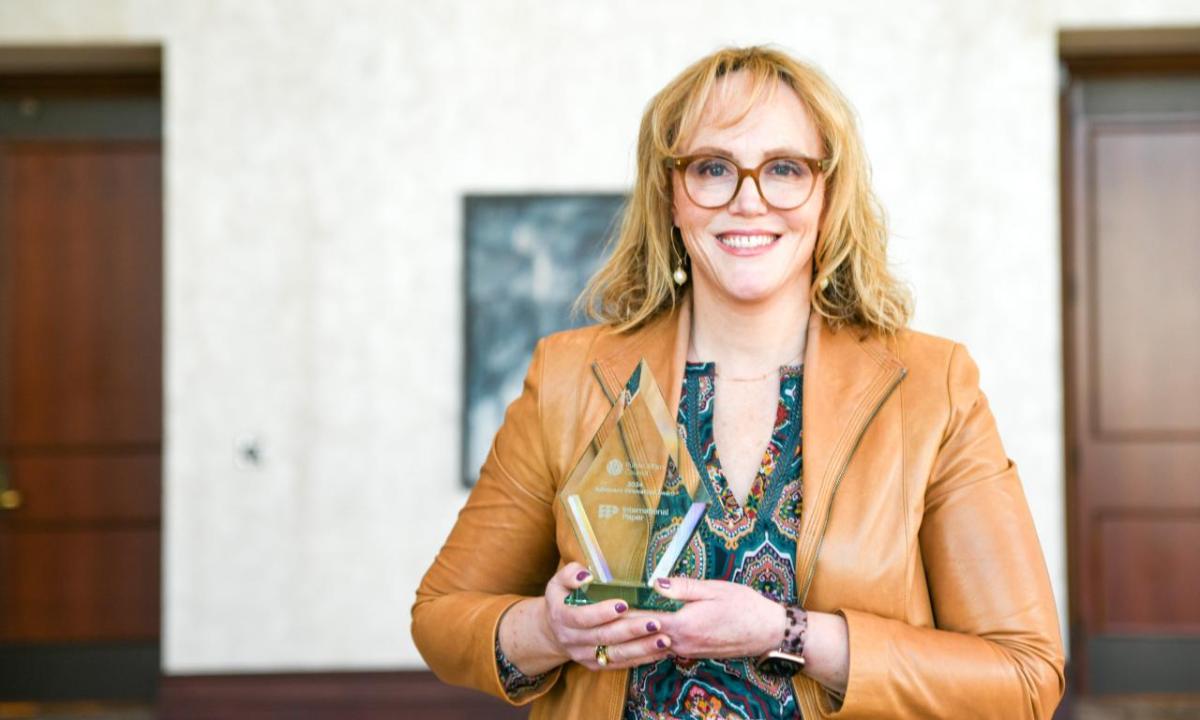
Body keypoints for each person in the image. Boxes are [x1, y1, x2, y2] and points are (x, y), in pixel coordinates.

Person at [412, 45, 1064, 719]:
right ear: (670, 194)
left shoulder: (933, 388)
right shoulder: (569, 377)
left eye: (783, 168)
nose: (748, 200)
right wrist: (551, 630)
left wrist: (790, 633)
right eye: (713, 168)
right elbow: (441, 619)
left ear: (827, 194)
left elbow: (1023, 677)